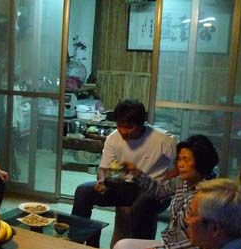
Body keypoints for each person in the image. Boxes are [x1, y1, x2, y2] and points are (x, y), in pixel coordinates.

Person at [70, 100, 176, 239]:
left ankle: (137, 248)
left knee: (142, 205)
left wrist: (165, 181)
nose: (123, 131)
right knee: (83, 191)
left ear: (141, 124)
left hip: (153, 190)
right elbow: (103, 168)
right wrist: (101, 181)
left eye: (129, 127)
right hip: (125, 186)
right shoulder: (113, 138)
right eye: (120, 126)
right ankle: (76, 239)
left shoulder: (164, 139)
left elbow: (180, 166)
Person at [113, 135, 218, 249]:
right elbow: (160, 191)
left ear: (201, 162)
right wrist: (136, 173)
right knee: (121, 247)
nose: (180, 164)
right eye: (179, 159)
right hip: (169, 244)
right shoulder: (182, 181)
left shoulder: (211, 194)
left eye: (186, 160)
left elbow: (200, 246)